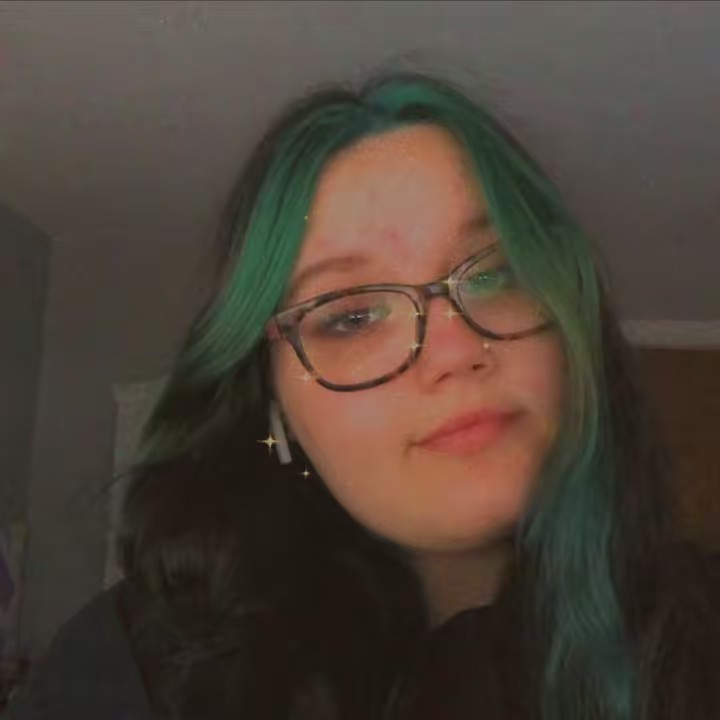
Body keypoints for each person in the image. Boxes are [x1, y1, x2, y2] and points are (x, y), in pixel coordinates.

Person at [4, 66, 719, 720]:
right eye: (350, 316)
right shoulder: (132, 671)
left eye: (496, 272)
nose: (454, 350)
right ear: (275, 408)